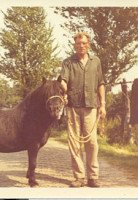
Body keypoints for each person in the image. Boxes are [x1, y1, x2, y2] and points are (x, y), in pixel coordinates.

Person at [60, 32, 106, 187]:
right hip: (73, 105)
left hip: (91, 105)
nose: (81, 46)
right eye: (78, 44)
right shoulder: (68, 62)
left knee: (92, 142)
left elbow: (101, 83)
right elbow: (64, 80)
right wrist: (64, 91)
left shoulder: (96, 61)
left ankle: (93, 177)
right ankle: (79, 177)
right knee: (74, 142)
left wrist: (103, 105)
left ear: (88, 45)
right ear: (75, 45)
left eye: (83, 43)